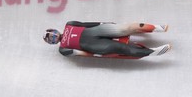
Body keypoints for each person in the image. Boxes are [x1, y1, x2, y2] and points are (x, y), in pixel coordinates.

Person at [43, 21, 171, 59]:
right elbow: (80, 53)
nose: (54, 37)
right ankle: (151, 52)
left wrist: (103, 23)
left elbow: (86, 24)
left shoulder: (69, 24)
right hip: (94, 45)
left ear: (54, 30)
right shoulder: (63, 49)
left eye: (52, 34)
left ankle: (155, 27)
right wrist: (96, 55)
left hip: (97, 31)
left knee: (125, 27)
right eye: (51, 39)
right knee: (119, 48)